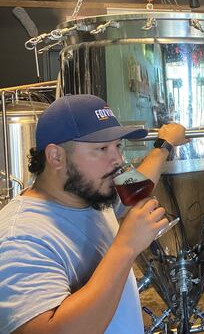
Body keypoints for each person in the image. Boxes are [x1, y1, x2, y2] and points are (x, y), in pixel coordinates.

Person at [0, 94, 187, 334]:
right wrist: (126, 246)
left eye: (118, 146)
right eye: (101, 148)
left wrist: (164, 145)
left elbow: (139, 182)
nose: (118, 160)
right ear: (56, 156)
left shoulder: (91, 194)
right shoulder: (20, 237)